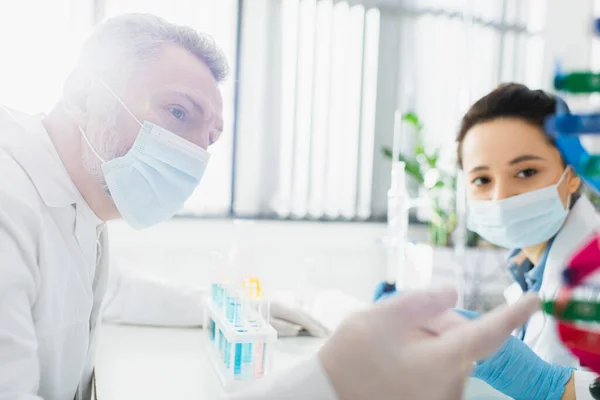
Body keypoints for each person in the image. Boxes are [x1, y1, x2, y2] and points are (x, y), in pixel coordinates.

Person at [0, 13, 540, 400]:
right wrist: (327, 381)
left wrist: (227, 304)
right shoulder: (10, 199)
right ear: (84, 92)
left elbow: (114, 291)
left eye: (208, 138)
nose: (192, 152)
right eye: (178, 112)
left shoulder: (77, 204)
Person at [377, 83, 600, 399]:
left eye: (525, 172)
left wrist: (550, 386)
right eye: (482, 179)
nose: (500, 197)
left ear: (573, 173)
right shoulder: (531, 268)